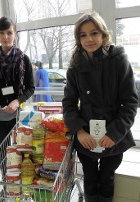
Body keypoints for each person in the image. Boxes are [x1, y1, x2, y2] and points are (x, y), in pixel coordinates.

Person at [62, 12, 138, 202]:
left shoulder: (119, 60)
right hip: (86, 134)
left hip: (114, 136)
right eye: (83, 35)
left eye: (94, 33)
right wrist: (79, 131)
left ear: (103, 34)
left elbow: (130, 102)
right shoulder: (75, 66)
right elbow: (69, 103)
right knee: (89, 179)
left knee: (106, 179)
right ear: (78, 39)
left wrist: (114, 133)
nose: (89, 39)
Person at [0, 17, 35, 174]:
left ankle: (22, 189)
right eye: (2, 33)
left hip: (19, 116)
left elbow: (30, 88)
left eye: (9, 32)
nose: (6, 37)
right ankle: (8, 189)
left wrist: (17, 101)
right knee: (3, 156)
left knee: (22, 154)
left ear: (15, 34)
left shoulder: (23, 60)